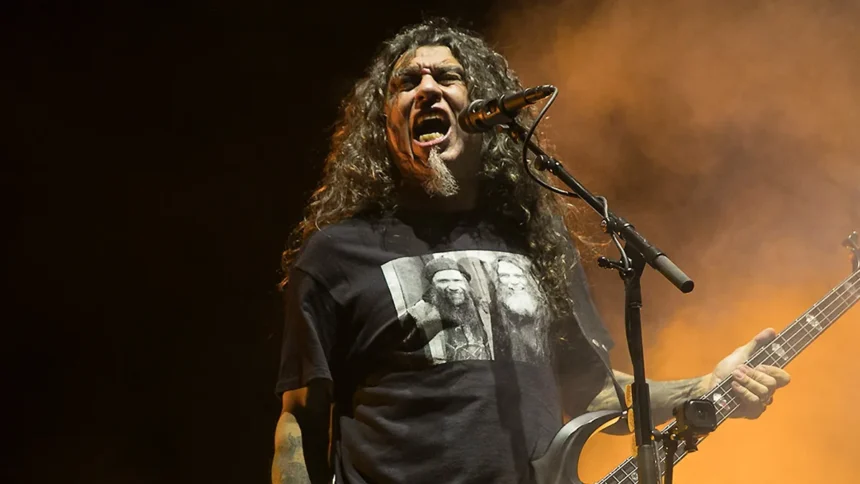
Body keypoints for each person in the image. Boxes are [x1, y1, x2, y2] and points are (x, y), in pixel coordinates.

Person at [272, 19, 790, 484]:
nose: (427, 89)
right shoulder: (336, 254)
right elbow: (300, 420)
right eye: (407, 83)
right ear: (384, 124)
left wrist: (706, 385)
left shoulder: (536, 244)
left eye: (448, 78)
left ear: (482, 113)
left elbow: (592, 394)